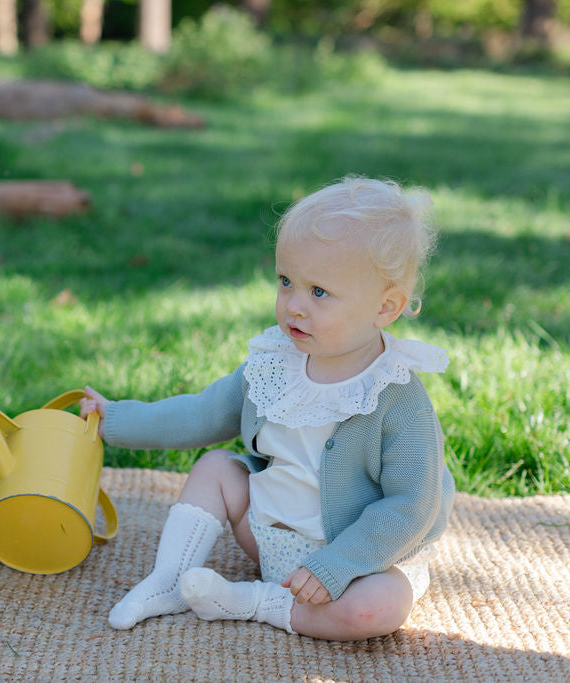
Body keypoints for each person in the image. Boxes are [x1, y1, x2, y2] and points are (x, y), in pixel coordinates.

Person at [79, 176, 453, 641]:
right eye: (285, 282)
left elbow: (411, 505)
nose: (293, 305)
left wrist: (337, 565)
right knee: (216, 467)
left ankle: (256, 603)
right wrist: (115, 418)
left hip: (357, 561)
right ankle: (169, 580)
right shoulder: (275, 364)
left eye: (319, 292)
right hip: (268, 537)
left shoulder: (396, 399)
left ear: (385, 307)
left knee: (377, 609)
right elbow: (202, 414)